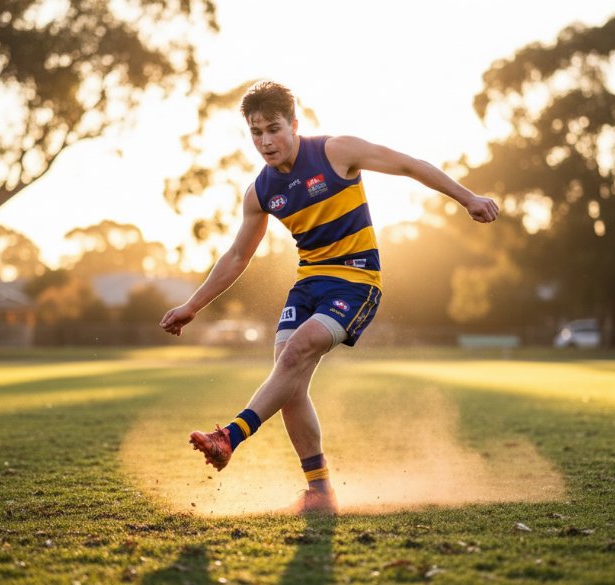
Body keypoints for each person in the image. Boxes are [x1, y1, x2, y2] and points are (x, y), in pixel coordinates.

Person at [160, 81, 498, 514]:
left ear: (296, 124)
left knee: (296, 352)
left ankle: (231, 436)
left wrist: (467, 198)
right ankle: (320, 492)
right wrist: (191, 306)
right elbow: (237, 255)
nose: (265, 141)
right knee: (289, 379)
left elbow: (410, 165)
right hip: (309, 283)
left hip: (357, 281)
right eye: (256, 132)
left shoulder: (337, 152)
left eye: (274, 129)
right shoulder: (260, 192)